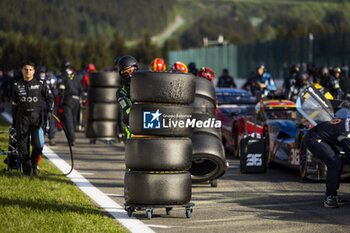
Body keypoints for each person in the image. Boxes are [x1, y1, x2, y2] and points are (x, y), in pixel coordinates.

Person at [12, 60, 54, 176]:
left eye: (30, 70)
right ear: (22, 71)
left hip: (36, 120)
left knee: (38, 145)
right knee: (23, 149)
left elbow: (50, 98)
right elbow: (14, 105)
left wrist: (50, 111)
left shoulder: (41, 84)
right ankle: (27, 172)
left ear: (34, 71)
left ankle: (34, 164)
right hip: (22, 121)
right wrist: (13, 122)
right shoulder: (16, 85)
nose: (28, 72)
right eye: (25, 70)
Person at [304, 116, 350, 208]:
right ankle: (330, 197)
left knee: (340, 159)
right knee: (335, 162)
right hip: (314, 139)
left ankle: (333, 195)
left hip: (324, 138)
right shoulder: (347, 134)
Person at [58, 59, 83, 146]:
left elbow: (61, 89)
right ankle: (72, 137)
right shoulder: (76, 76)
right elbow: (81, 89)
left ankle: (72, 139)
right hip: (76, 100)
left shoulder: (63, 76)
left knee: (68, 121)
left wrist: (60, 101)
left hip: (67, 100)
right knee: (73, 120)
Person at [117, 56, 139, 141]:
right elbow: (127, 111)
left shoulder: (146, 83)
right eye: (125, 73)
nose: (129, 75)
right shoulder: (121, 91)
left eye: (130, 71)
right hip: (132, 127)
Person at [36, 66, 58, 146]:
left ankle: (42, 137)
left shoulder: (35, 81)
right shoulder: (51, 80)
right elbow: (55, 93)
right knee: (50, 121)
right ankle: (51, 138)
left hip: (40, 104)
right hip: (49, 103)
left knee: (41, 121)